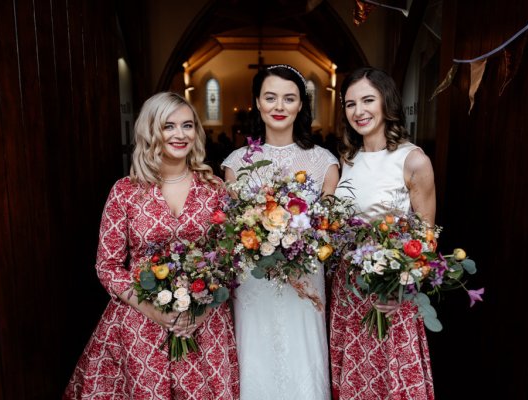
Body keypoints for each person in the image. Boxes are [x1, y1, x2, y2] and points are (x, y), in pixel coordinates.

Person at [64, 92, 239, 399]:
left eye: (187, 126)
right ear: (150, 131)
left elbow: (228, 259)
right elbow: (107, 265)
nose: (180, 134)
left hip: (202, 324)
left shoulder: (214, 189)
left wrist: (200, 311)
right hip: (140, 324)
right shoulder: (125, 192)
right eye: (168, 126)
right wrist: (155, 312)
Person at [222, 64, 340, 400]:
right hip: (254, 282)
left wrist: (298, 239)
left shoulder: (324, 162)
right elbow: (234, 230)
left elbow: (326, 231)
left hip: (305, 279)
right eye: (270, 97)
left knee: (303, 355)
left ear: (301, 105)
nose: (279, 106)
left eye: (289, 98)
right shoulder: (236, 163)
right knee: (256, 355)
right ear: (257, 103)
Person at [329, 67, 436, 399]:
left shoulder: (413, 160)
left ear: (386, 102)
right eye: (350, 104)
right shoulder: (346, 159)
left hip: (389, 294)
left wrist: (401, 285)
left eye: (367, 100)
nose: (359, 111)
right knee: (354, 378)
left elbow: (427, 235)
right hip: (348, 289)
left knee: (389, 377)